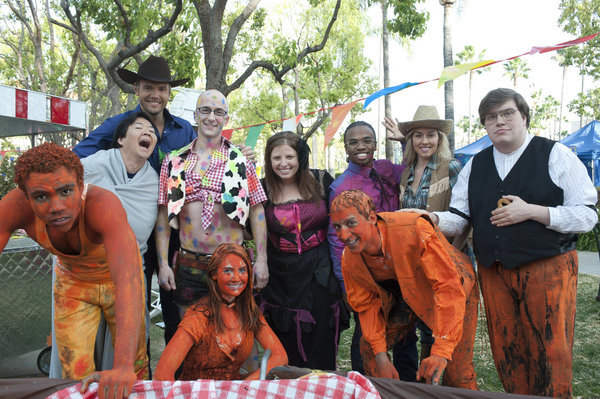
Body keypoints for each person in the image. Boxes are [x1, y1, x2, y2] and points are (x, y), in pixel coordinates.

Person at [424, 88, 597, 397]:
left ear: (524, 117)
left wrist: (532, 211)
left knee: (551, 352)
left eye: (507, 113)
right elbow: (460, 217)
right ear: (485, 124)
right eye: (491, 117)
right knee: (508, 352)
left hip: (548, 267)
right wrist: (431, 220)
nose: (499, 121)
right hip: (494, 272)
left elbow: (587, 215)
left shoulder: (555, 154)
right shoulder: (475, 165)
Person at [0, 143, 148, 399]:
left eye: (65, 191)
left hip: (119, 283)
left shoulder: (103, 204)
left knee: (134, 368)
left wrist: (123, 367)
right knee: (74, 373)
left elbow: (128, 282)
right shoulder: (14, 206)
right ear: (25, 195)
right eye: (41, 197)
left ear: (81, 186)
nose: (56, 206)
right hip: (74, 284)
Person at [74, 55, 195, 346]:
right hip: (131, 236)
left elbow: (206, 162)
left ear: (169, 93)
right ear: (137, 89)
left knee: (175, 312)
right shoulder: (118, 125)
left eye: (162, 89)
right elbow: (76, 160)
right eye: (148, 87)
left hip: (173, 232)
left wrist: (238, 153)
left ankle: (172, 383)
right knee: (132, 311)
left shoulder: (185, 130)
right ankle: (137, 377)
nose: (155, 94)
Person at [330, 190, 478, 389]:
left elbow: (448, 288)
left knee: (458, 375)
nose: (344, 235)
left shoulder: (414, 228)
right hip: (407, 296)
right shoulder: (350, 259)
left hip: (456, 289)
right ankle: (388, 392)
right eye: (337, 227)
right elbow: (367, 306)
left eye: (351, 223)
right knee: (370, 350)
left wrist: (440, 351)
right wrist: (381, 358)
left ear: (372, 218)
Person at [156, 89, 268, 315]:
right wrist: (163, 264)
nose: (211, 117)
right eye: (205, 110)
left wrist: (262, 260)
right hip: (189, 267)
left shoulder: (240, 160)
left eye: (218, 112)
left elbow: (258, 213)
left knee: (236, 337)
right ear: (196, 115)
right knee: (191, 337)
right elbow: (163, 217)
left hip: (232, 264)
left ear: (225, 119)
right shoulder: (175, 161)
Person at [327, 121, 417, 379]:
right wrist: (345, 283)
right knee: (367, 332)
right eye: (353, 142)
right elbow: (336, 239)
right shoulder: (342, 186)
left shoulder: (386, 168)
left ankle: (406, 387)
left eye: (366, 140)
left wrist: (404, 141)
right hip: (366, 269)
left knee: (405, 329)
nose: (361, 146)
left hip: (400, 263)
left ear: (376, 144)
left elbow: (412, 171)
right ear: (345, 147)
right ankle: (365, 384)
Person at [258, 131, 348, 369]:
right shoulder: (261, 188)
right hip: (281, 273)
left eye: (289, 156)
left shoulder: (321, 180)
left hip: (320, 268)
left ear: (300, 157)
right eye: (276, 158)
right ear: (269, 160)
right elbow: (250, 228)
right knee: (285, 335)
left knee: (321, 331)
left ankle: (322, 383)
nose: (283, 163)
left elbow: (339, 220)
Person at [383, 105, 465, 362]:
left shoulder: (451, 167)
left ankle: (431, 384)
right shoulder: (406, 171)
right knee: (407, 324)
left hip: (442, 258)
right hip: (411, 260)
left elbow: (463, 215)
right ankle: (409, 383)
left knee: (434, 327)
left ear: (440, 138)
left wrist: (456, 255)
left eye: (431, 134)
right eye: (418, 135)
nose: (424, 140)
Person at [154, 243, 287, 381]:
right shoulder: (198, 317)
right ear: (214, 274)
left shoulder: (249, 311)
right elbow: (161, 375)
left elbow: (280, 356)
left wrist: (247, 385)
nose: (236, 278)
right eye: (228, 271)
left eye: (242, 270)